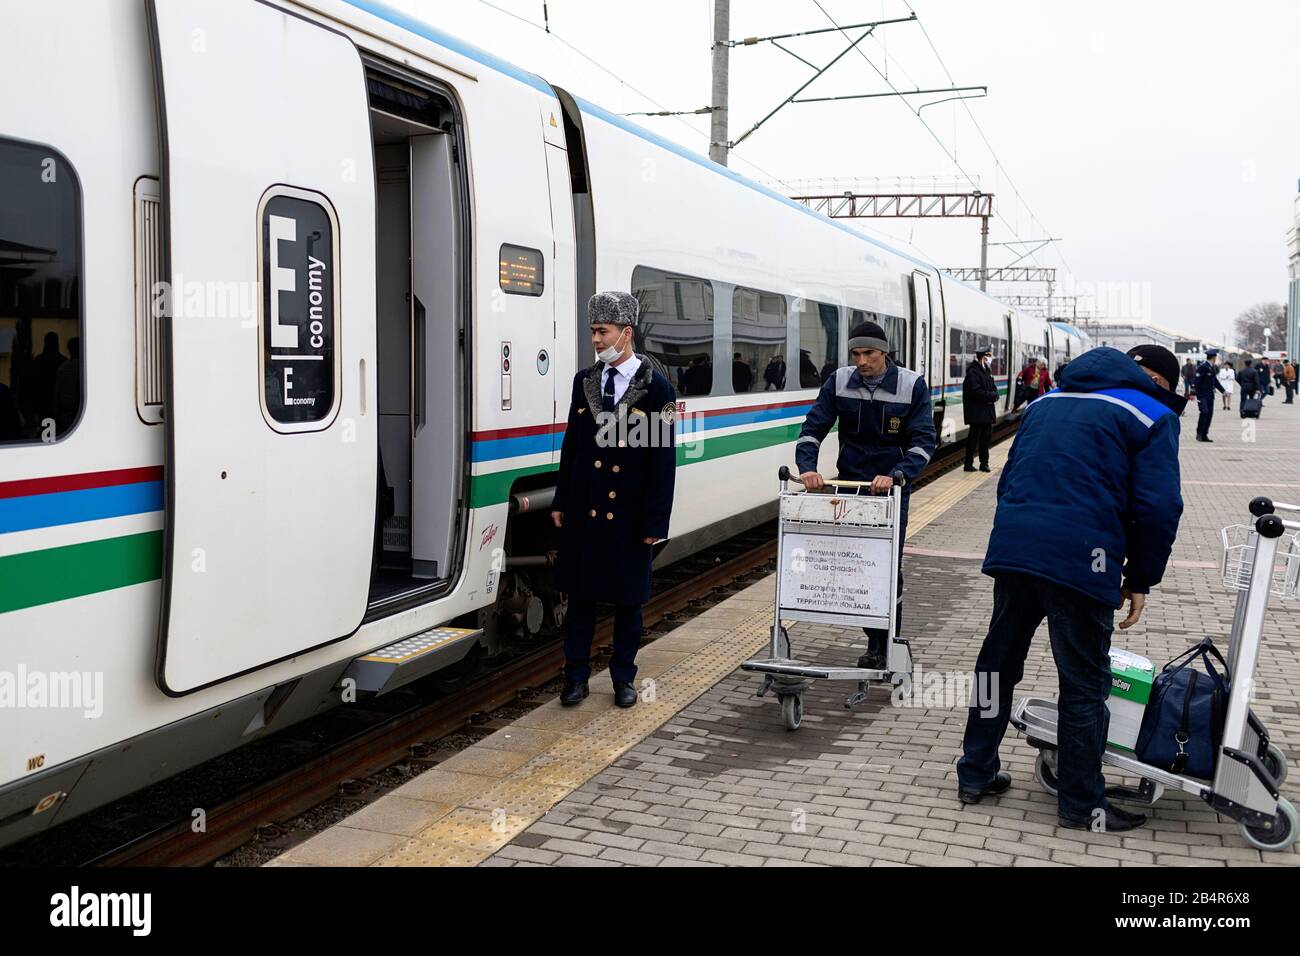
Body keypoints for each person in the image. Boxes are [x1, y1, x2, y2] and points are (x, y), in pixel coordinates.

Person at [956, 344, 1185, 833]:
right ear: (1159, 382)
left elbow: (1008, 479)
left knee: (998, 664)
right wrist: (1140, 577)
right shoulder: (1152, 414)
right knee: (1083, 685)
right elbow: (1160, 508)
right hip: (1085, 561)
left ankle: (975, 773)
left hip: (1016, 551)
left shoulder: (1044, 402)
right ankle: (1081, 803)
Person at [551, 291, 677, 709]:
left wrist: (655, 523)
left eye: (602, 332)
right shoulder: (584, 381)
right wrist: (560, 500)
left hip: (629, 516)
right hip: (586, 511)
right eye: (592, 331)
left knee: (628, 604)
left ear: (626, 333)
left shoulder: (658, 390)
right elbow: (572, 445)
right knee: (581, 601)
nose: (596, 340)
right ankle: (575, 679)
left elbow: (663, 459)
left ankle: (624, 678)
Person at [795, 320, 936, 671]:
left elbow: (923, 442)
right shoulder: (839, 381)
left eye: (869, 353)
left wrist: (896, 474)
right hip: (852, 485)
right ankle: (873, 639)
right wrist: (808, 467)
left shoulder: (911, 386)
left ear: (884, 352)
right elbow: (813, 428)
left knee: (887, 566)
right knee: (856, 563)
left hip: (891, 489)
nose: (861, 361)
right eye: (856, 353)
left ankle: (887, 642)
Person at [962, 347, 997, 472]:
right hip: (977, 412)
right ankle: (968, 463)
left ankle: (984, 463)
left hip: (986, 411)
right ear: (983, 357)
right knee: (973, 438)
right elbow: (975, 391)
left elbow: (993, 387)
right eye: (988, 357)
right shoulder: (973, 372)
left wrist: (994, 394)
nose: (990, 360)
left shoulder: (986, 370)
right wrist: (991, 396)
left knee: (985, 439)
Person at [1193, 349, 1225, 441]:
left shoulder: (1212, 367)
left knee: (1209, 415)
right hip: (1202, 395)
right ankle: (1199, 433)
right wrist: (1194, 393)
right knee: (1204, 412)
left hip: (1210, 395)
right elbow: (1197, 381)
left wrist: (1223, 391)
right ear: (1214, 358)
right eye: (1216, 357)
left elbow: (1215, 381)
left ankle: (1204, 435)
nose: (1216, 358)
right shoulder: (1202, 367)